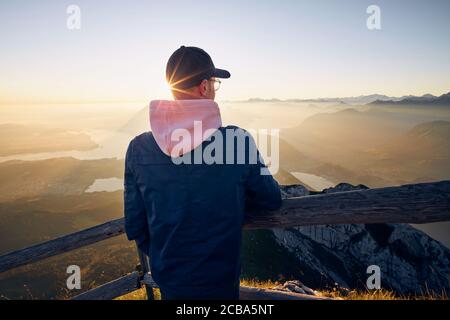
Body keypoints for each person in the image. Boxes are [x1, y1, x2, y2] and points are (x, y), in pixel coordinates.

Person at [124, 46, 282, 300]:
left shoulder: (138, 148)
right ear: (204, 87)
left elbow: (135, 224)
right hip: (220, 281)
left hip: (170, 280)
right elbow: (271, 199)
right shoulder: (236, 142)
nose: (214, 90)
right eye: (215, 83)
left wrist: (165, 257)